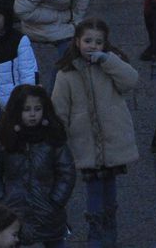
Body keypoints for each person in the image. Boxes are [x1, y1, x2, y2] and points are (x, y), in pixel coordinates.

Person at [50, 19, 137, 248]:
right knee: (95, 195)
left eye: (98, 42)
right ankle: (96, 238)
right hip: (86, 144)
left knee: (111, 193)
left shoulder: (110, 65)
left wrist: (109, 61)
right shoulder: (66, 74)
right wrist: (59, 141)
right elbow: (59, 110)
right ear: (77, 42)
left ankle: (110, 235)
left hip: (112, 142)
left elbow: (131, 81)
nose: (92, 46)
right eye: (88, 41)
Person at [0, 84, 74, 248]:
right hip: (13, 210)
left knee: (55, 241)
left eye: (37, 109)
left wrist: (56, 200)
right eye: (27, 109)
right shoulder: (4, 136)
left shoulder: (52, 136)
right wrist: (0, 198)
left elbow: (66, 171)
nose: (32, 114)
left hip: (48, 210)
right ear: (17, 111)